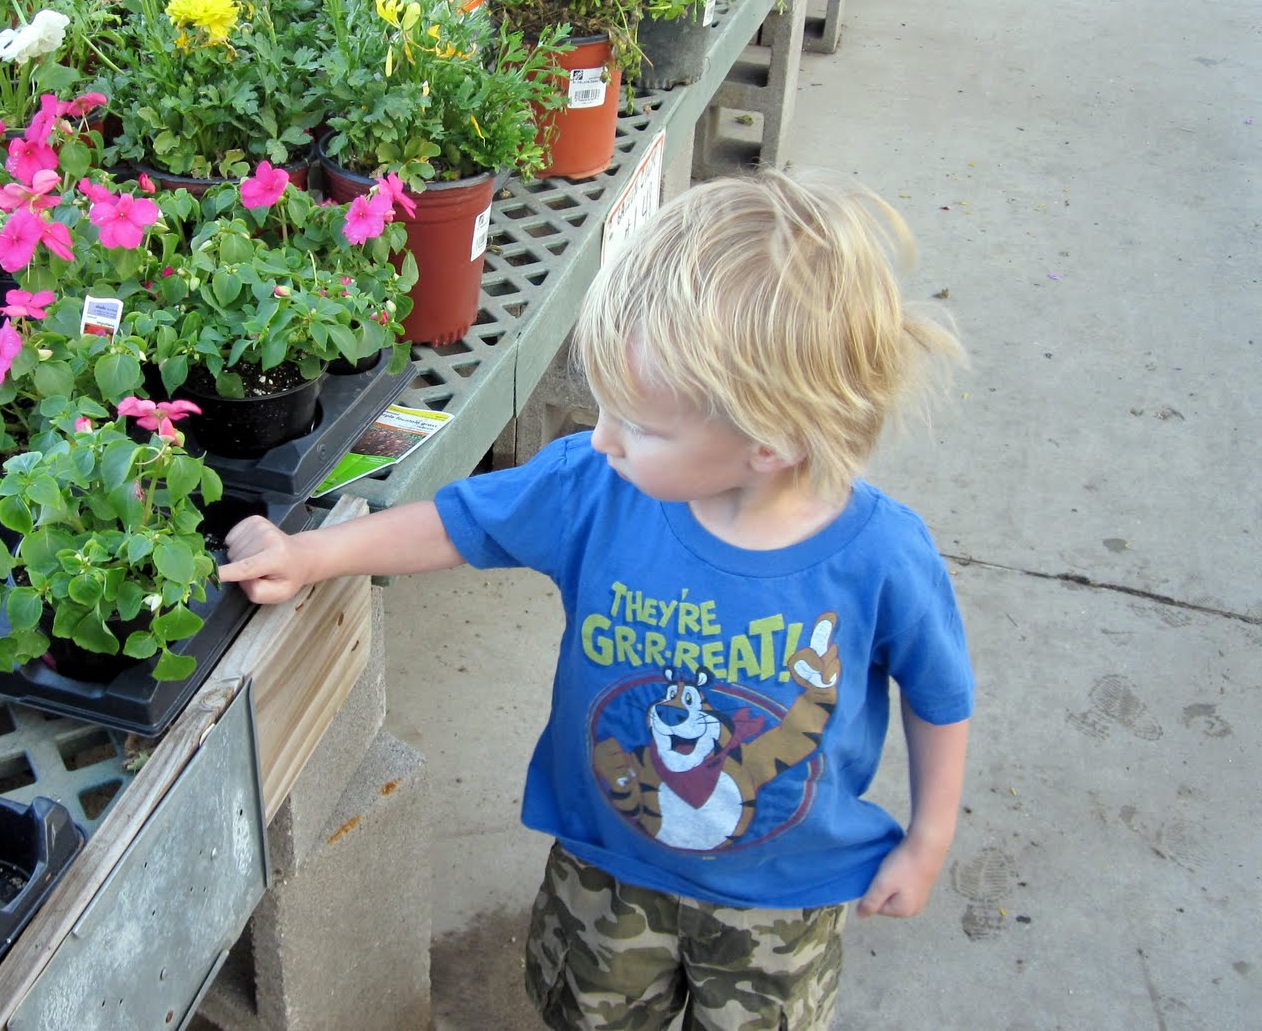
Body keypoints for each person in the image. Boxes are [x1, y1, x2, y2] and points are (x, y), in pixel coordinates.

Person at [218, 167, 974, 1031]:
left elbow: (939, 693)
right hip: (607, 867)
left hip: (784, 899)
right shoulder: (597, 485)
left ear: (770, 442)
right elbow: (457, 524)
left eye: (640, 424)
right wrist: (312, 553)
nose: (602, 434)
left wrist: (929, 838)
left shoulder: (881, 555)